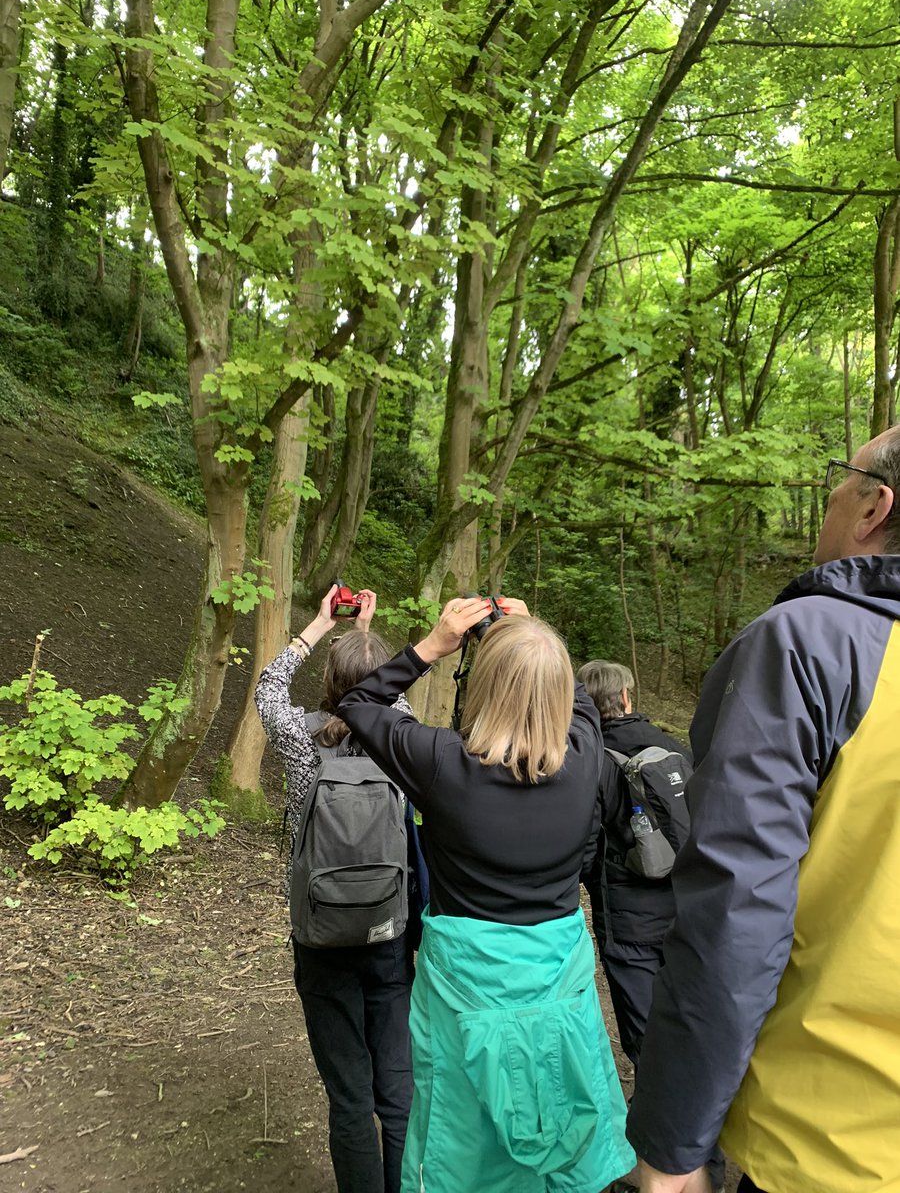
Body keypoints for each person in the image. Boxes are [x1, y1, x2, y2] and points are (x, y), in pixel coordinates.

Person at [627, 427, 900, 1193]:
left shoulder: (810, 646)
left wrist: (673, 1147)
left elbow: (734, 918)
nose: (829, 496)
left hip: (831, 1147)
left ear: (875, 507)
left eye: (839, 481)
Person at [337, 596, 635, 1193]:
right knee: (558, 1103)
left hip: (466, 984)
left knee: (463, 1139)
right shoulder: (584, 758)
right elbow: (571, 698)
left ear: (484, 685)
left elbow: (358, 702)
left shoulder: (442, 763)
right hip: (557, 975)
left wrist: (434, 644)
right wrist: (522, 629)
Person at [255, 587, 414, 1193]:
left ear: (329, 680)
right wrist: (368, 636)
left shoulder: (300, 736)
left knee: (349, 1096)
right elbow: (388, 698)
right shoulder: (400, 737)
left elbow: (268, 688)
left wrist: (321, 626)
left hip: (320, 936)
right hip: (387, 932)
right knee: (396, 1089)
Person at [578, 659, 691, 1069]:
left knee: (641, 1025)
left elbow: (586, 845)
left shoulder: (588, 759)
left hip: (626, 914)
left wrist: (596, 881)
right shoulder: (675, 748)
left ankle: (650, 1116)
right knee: (684, 1011)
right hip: (684, 903)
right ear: (626, 697)